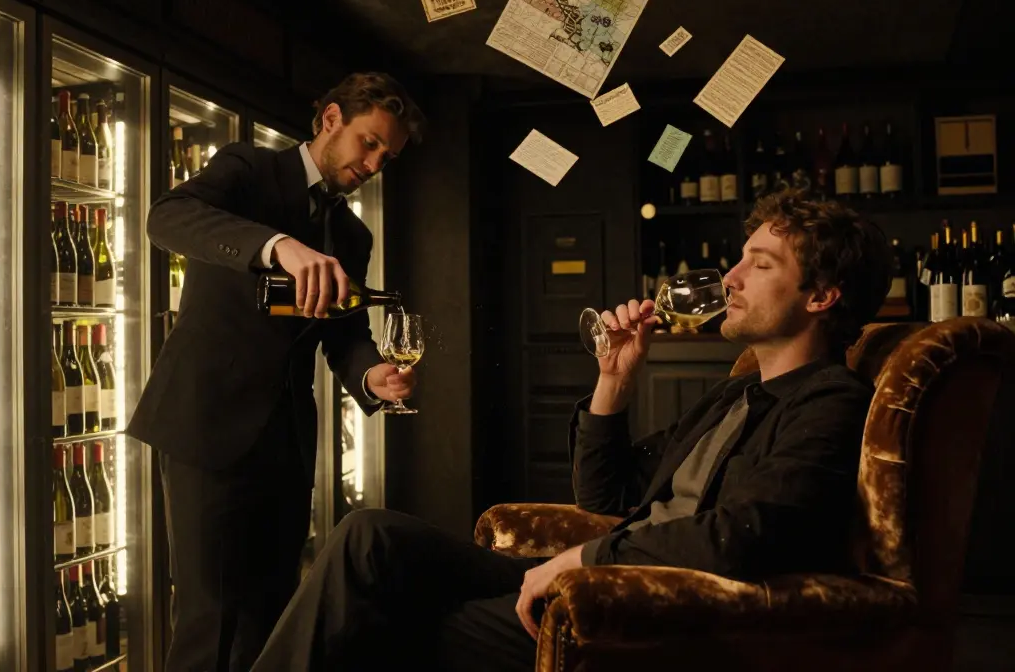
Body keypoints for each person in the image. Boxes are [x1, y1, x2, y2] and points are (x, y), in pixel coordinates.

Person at [249, 189, 894, 671]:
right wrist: (614, 381)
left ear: (821, 297)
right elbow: (607, 497)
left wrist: (579, 560)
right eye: (740, 259)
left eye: (760, 263)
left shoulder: (831, 402)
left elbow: (741, 538)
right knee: (369, 536)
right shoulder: (734, 394)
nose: (730, 277)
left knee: (400, 625)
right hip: (604, 577)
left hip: (644, 606)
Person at [126, 72, 426, 672]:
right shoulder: (248, 170)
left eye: (386, 156)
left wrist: (372, 377)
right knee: (210, 618)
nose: (374, 163)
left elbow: (344, 335)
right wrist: (277, 245)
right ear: (331, 119)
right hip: (205, 426)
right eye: (369, 142)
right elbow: (167, 218)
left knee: (273, 611)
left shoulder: (351, 233)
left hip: (286, 441)